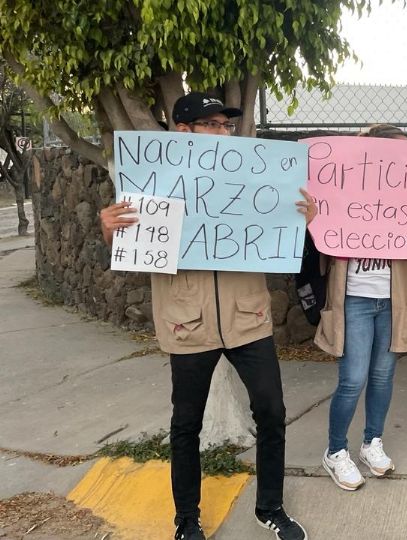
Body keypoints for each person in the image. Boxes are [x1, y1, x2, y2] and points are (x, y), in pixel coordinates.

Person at [98, 92, 314, 540]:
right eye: (211, 124)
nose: (222, 133)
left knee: (272, 411)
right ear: (184, 132)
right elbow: (137, 250)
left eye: (225, 125)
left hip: (247, 316)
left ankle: (269, 506)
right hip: (187, 320)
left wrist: (302, 221)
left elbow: (279, 237)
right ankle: (187, 519)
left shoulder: (255, 178)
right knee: (186, 424)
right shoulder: (152, 182)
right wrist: (109, 231)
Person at [313, 124, 407, 491]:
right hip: (354, 299)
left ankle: (372, 442)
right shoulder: (339, 189)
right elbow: (322, 237)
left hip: (395, 299)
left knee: (383, 376)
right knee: (352, 379)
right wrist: (312, 216)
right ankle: (336, 451)